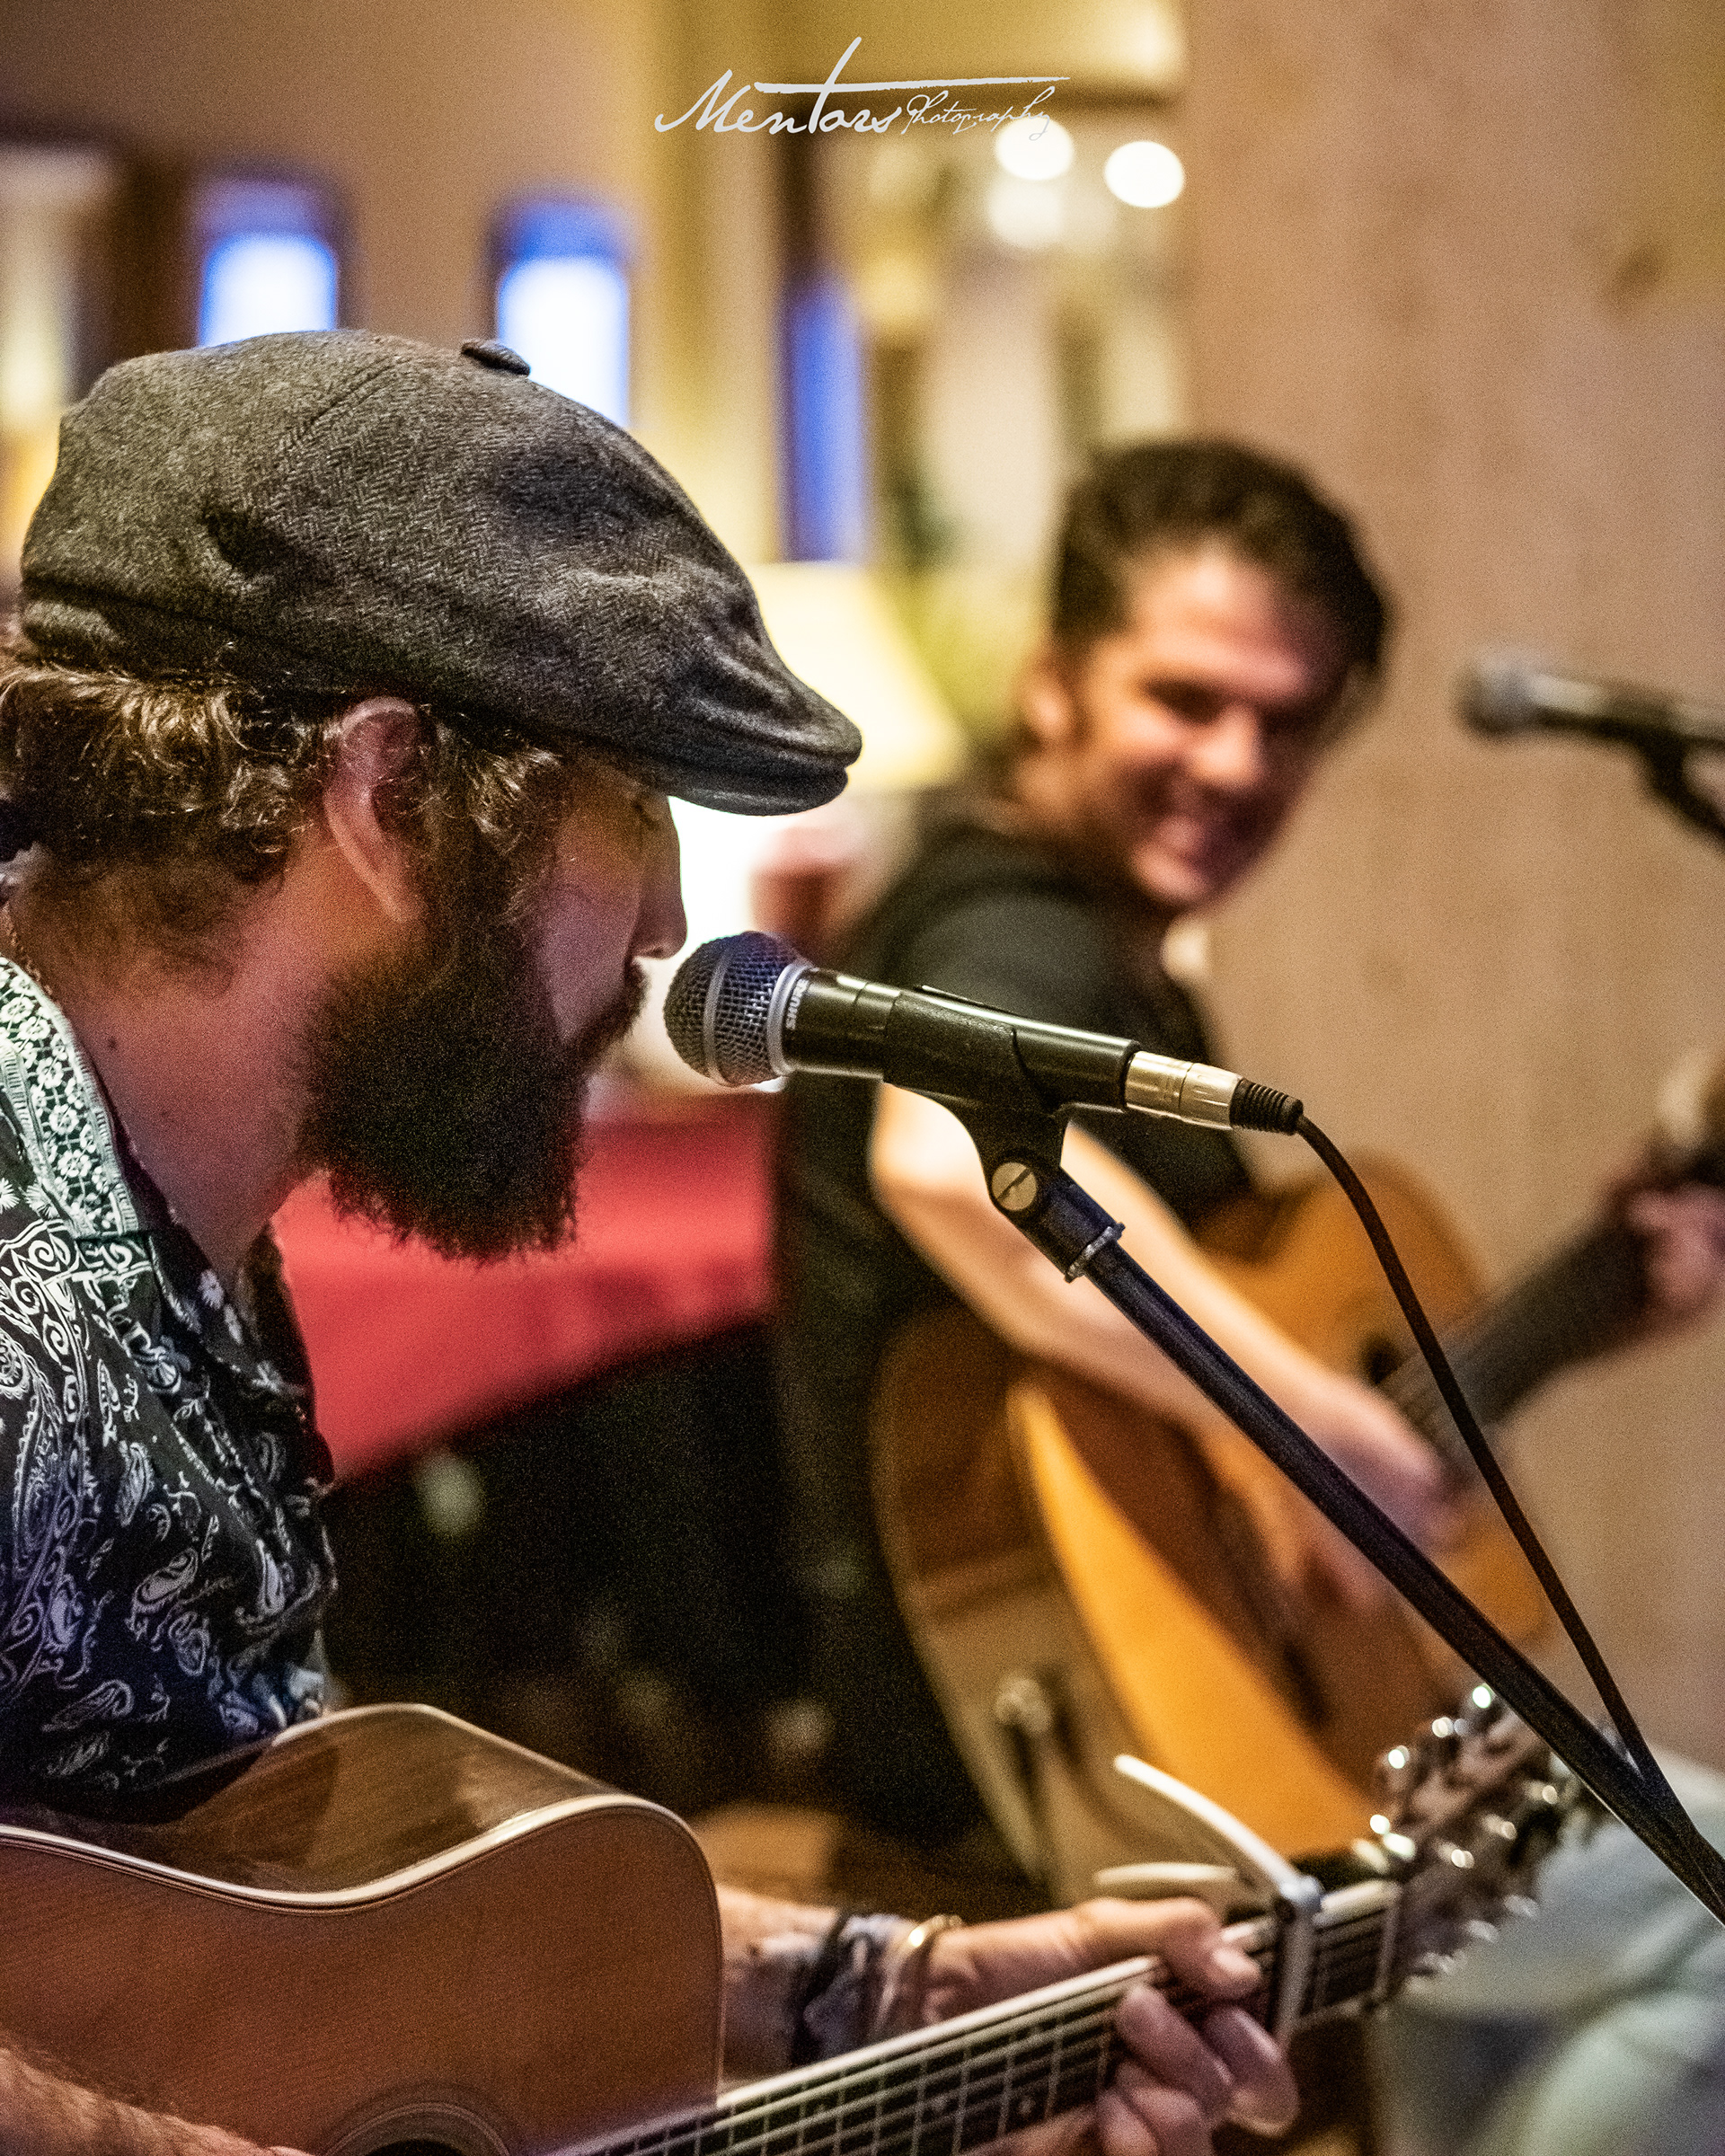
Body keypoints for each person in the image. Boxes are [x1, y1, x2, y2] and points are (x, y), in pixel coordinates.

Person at [0, 337, 1297, 2156]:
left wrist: (890, 1994)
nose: (674, 921)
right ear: (386, 796)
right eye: (628, 806)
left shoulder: (172, 1224)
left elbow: (255, 1879)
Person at [774, 437, 1725, 2154]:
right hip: (1064, 1770)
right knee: (1710, 1936)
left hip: (1138, 1718)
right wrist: (1302, 1425)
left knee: (1503, 1976)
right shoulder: (1016, 938)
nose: (1237, 762)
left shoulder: (1082, 937)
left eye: (1289, 723)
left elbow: (1287, 1434)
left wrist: (1581, 1308)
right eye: (1186, 697)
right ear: (1051, 681)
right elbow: (941, 1160)